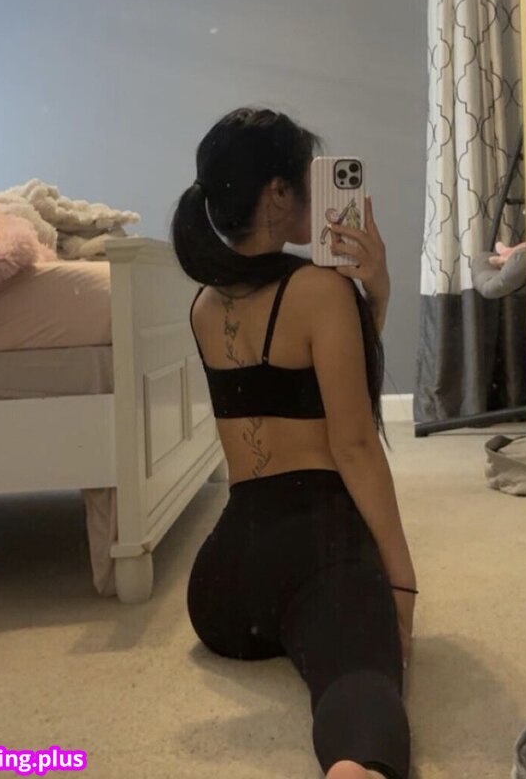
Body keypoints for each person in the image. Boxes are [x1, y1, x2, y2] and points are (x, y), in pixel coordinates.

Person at [171, 108, 416, 779]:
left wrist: (374, 293)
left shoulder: (205, 303)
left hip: (221, 591)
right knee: (362, 675)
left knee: (314, 620)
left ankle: (298, 626)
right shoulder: (320, 291)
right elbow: (354, 444)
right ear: (278, 193)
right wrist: (401, 580)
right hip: (315, 548)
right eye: (307, 179)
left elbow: (313, 385)